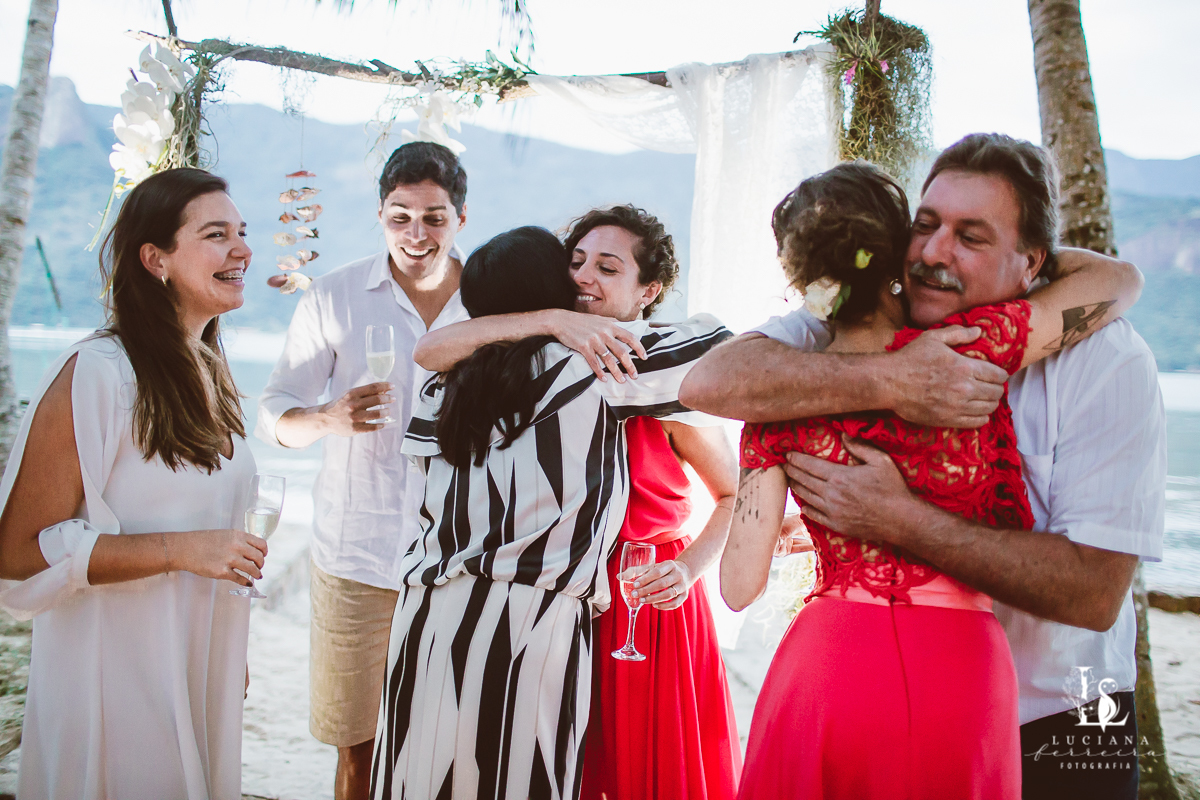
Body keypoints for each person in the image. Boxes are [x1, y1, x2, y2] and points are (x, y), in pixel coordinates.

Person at [683, 134, 1163, 800]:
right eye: (927, 226)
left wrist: (895, 517)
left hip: (1062, 717)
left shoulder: (1105, 359)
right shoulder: (839, 326)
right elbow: (709, 383)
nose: (936, 253)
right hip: (887, 688)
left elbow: (1092, 595)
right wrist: (896, 379)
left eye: (971, 237)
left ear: (1032, 268)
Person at [370, 226, 731, 800]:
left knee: (421, 781)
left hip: (425, 614)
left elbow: (433, 359)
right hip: (528, 621)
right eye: (573, 268)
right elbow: (721, 347)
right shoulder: (594, 367)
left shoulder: (442, 388)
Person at [0, 168, 266, 799]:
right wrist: (182, 550)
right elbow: (13, 554)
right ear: (156, 259)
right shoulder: (99, 373)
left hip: (196, 666)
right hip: (113, 678)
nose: (243, 249)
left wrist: (226, 647)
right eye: (215, 234)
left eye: (242, 233)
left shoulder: (210, 375)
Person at [255, 141, 470, 800]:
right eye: (401, 216)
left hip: (459, 560)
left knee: (451, 747)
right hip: (356, 558)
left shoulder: (489, 302)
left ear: (461, 218)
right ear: (380, 214)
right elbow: (274, 413)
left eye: (434, 217)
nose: (417, 233)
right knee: (357, 751)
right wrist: (329, 417)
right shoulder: (335, 297)